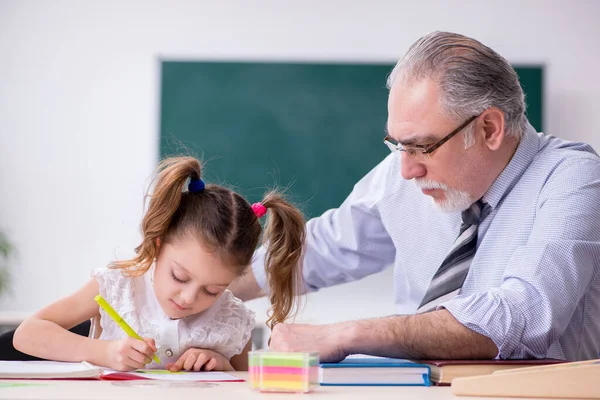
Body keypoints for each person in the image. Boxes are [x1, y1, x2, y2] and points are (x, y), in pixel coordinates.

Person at [230, 31, 600, 363]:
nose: (408, 170)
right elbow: (326, 248)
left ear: (489, 128)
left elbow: (525, 315)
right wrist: (201, 285)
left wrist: (348, 335)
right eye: (398, 145)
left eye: (424, 147)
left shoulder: (574, 177)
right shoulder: (402, 171)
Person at [13, 156, 306, 372]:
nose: (189, 297)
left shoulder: (233, 320)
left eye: (213, 290)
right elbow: (27, 334)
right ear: (158, 245)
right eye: (179, 276)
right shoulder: (121, 286)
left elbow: (245, 386)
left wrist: (223, 367)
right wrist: (101, 351)